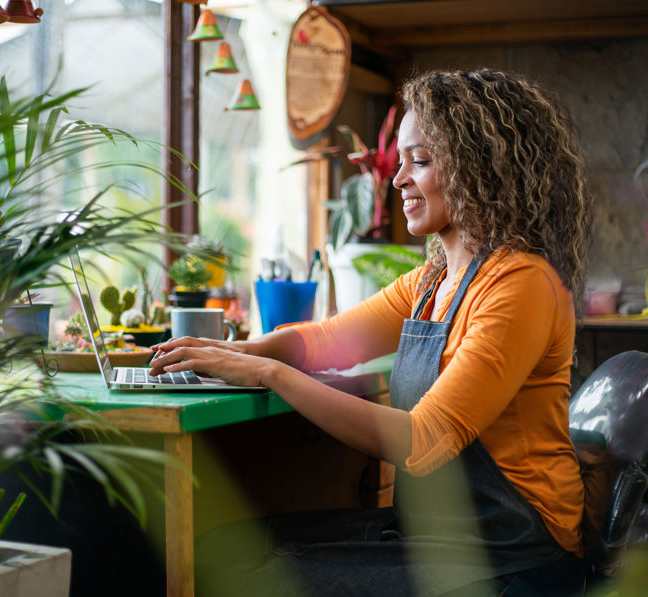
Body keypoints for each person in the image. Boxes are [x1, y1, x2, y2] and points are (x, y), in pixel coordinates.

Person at [151, 68, 594, 597]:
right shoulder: (432, 282)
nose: (398, 178)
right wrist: (229, 350)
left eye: (422, 161)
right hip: (441, 535)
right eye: (401, 160)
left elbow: (423, 440)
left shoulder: (521, 284)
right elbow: (322, 342)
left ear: (484, 168)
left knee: (242, 570)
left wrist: (267, 372)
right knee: (224, 551)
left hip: (518, 557)